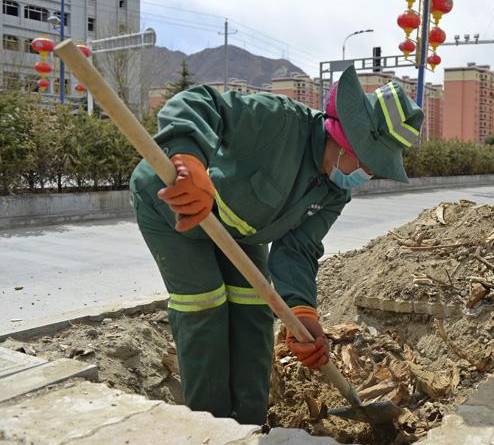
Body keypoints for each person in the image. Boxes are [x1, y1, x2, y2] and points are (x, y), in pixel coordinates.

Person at [129, 66, 424, 424]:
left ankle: (250, 422)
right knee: (205, 304)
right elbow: (199, 102)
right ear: (347, 141)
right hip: (172, 203)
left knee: (255, 309)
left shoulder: (334, 192)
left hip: (241, 232)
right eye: (370, 165)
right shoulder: (280, 122)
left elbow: (298, 248)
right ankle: (211, 426)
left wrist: (303, 314)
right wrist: (187, 161)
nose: (369, 175)